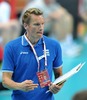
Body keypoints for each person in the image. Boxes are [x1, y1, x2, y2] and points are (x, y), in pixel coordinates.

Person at [2, 8, 64, 100]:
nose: (41, 28)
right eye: (36, 24)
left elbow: (59, 74)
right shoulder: (12, 47)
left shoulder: (54, 45)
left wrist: (58, 85)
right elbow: (5, 80)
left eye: (43, 23)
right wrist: (20, 86)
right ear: (26, 25)